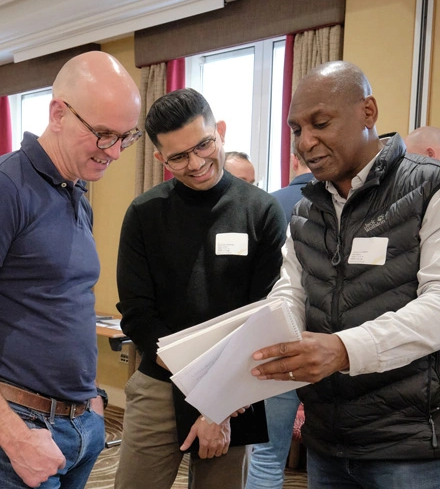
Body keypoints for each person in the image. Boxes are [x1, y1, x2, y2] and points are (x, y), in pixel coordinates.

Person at [250, 61, 440, 489]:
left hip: (407, 447)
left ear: (368, 112)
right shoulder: (304, 211)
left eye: (320, 123)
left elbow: (438, 306)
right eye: (296, 129)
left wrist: (342, 349)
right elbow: (290, 291)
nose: (306, 142)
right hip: (327, 440)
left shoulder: (430, 188)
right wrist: (269, 333)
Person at [114, 88, 286, 489]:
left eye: (203, 145)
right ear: (159, 158)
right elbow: (137, 313)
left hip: (236, 392)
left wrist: (219, 402)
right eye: (178, 157)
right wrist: (203, 386)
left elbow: (265, 313)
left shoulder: (261, 211)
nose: (196, 163)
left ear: (219, 132)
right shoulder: (144, 213)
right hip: (160, 382)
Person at [0, 51, 141, 488]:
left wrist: (93, 404)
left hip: (80, 424)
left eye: (126, 136)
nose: (115, 152)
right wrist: (14, 436)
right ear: (58, 113)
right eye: (103, 134)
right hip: (21, 431)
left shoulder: (75, 190)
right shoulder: (8, 187)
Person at [245, 149, 313, 489]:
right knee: (328, 457)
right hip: (331, 347)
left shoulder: (267, 204)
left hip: (276, 344)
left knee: (267, 454)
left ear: (292, 160)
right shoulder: (349, 206)